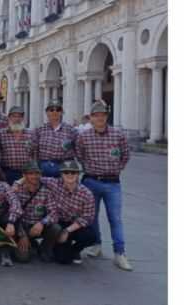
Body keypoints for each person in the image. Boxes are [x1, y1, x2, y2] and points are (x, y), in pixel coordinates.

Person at [77, 102, 132, 271]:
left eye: (103, 115)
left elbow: (125, 155)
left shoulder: (118, 134)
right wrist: (91, 168)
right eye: (96, 115)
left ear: (106, 116)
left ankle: (120, 253)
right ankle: (97, 244)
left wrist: (115, 169)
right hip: (91, 181)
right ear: (91, 118)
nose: (100, 118)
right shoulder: (84, 136)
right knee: (92, 216)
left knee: (115, 218)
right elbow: (80, 156)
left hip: (112, 182)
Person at [26, 160, 97, 265]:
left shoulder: (87, 194)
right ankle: (52, 246)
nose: (69, 175)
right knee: (63, 259)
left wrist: (67, 231)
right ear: (61, 174)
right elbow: (33, 178)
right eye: (66, 172)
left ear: (78, 174)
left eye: (73, 172)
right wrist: (18, 183)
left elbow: (87, 217)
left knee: (91, 235)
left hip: (75, 225)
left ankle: (76, 249)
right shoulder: (54, 183)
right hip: (59, 223)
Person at [11, 161, 62, 263]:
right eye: (31, 173)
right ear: (24, 175)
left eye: (37, 173)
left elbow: (54, 212)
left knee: (56, 228)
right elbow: (14, 214)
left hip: (39, 226)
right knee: (22, 258)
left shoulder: (46, 190)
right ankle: (23, 242)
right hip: (23, 226)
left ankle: (44, 250)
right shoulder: (17, 191)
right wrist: (22, 235)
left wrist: (42, 222)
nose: (35, 176)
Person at [33, 100, 78, 178]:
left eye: (58, 110)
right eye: (51, 110)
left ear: (61, 112)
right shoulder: (39, 129)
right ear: (47, 112)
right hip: (44, 167)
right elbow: (35, 150)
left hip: (64, 168)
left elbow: (79, 149)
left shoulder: (71, 130)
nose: (55, 112)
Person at [0, 106, 35, 185]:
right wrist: (0, 172)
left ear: (22, 118)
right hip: (8, 172)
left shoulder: (30, 133)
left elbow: (34, 153)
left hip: (26, 173)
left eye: (19, 116)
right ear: (9, 118)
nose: (17, 119)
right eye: (14, 116)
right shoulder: (1, 134)